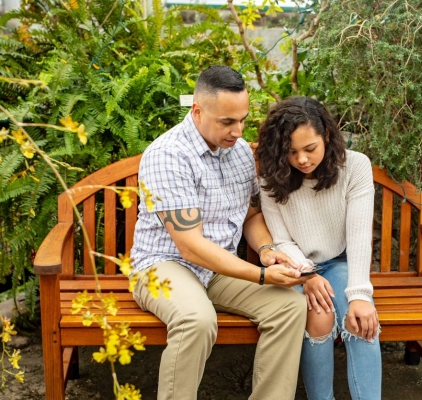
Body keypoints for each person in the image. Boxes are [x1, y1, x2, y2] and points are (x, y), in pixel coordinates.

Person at [130, 66, 313, 400]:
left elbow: (252, 216)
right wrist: (261, 274)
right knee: (196, 321)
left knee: (289, 307)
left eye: (242, 120)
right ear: (197, 111)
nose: (238, 131)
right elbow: (191, 248)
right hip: (164, 265)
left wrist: (268, 251)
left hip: (218, 268)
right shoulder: (168, 155)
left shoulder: (240, 153)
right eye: (227, 122)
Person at [256, 96, 383, 400]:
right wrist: (308, 275)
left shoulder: (355, 166)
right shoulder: (270, 175)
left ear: (326, 134)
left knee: (362, 321)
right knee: (319, 316)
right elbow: (282, 240)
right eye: (291, 152)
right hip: (295, 267)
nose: (301, 159)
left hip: (340, 262)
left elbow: (358, 236)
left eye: (309, 148)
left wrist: (361, 297)